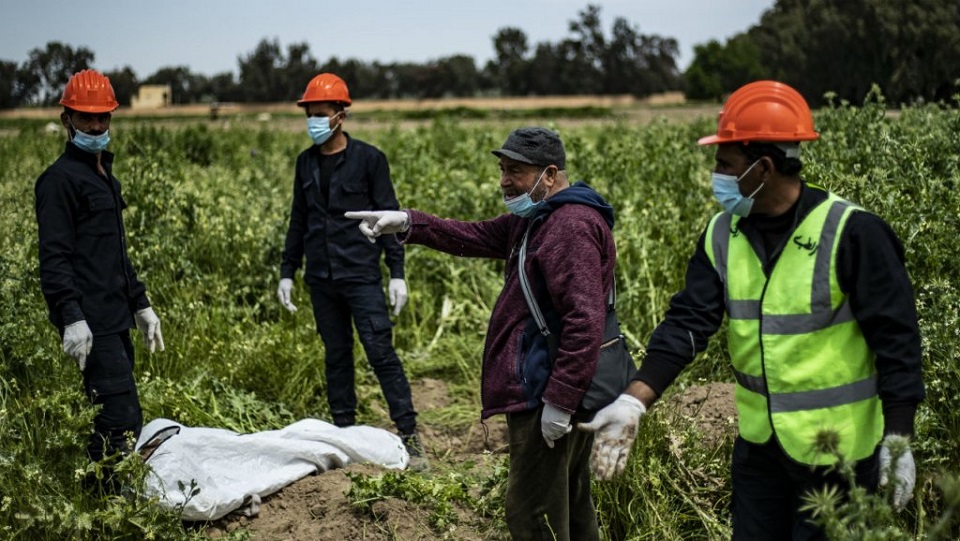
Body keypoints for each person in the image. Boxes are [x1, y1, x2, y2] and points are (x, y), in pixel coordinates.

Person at [579, 80, 926, 540]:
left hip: (841, 459)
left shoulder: (853, 233)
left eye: (725, 163)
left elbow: (897, 342)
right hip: (761, 453)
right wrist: (632, 401)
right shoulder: (724, 233)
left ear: (763, 167)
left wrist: (898, 438)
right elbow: (688, 321)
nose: (716, 174)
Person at [346, 127, 617, 541]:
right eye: (502, 169)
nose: (504, 180)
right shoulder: (535, 219)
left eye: (516, 171)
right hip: (552, 387)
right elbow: (474, 235)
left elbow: (584, 321)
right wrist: (408, 223)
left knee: (532, 514)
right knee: (572, 505)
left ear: (549, 175)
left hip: (547, 392)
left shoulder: (568, 226)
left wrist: (559, 401)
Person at [276, 73, 427, 470]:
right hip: (321, 280)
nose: (314, 121)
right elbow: (298, 220)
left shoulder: (369, 160)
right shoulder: (305, 163)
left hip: (361, 277)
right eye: (310, 114)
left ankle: (410, 437)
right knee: (337, 356)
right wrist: (287, 271)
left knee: (380, 353)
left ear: (340, 115)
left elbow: (391, 218)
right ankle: (345, 434)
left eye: (321, 114)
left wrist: (397, 272)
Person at [35, 69, 165, 487]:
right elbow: (54, 258)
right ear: (66, 119)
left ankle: (103, 494)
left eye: (103, 118)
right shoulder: (58, 182)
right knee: (120, 415)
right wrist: (70, 315)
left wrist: (141, 303)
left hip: (116, 314)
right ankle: (103, 501)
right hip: (91, 320)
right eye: (85, 118)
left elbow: (116, 253)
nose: (96, 126)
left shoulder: (105, 177)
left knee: (118, 414)